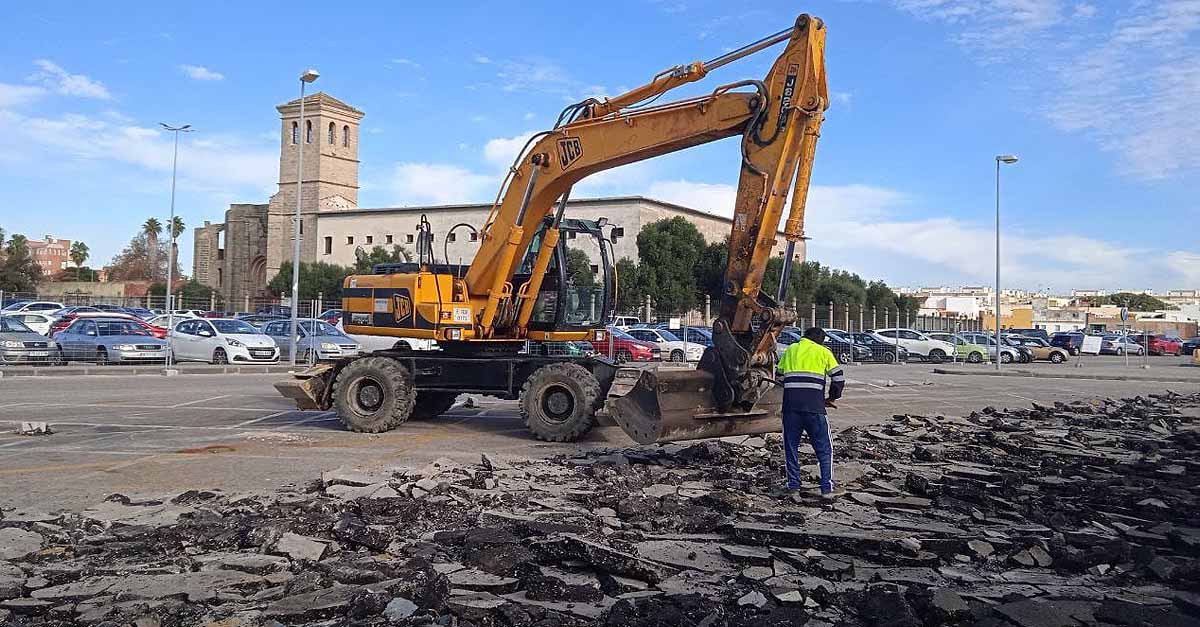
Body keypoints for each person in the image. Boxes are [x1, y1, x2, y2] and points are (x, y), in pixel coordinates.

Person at [776, 327, 845, 499]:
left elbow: (779, 377)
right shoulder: (823, 352)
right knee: (825, 449)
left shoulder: (791, 350)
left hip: (790, 408)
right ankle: (827, 488)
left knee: (791, 448)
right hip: (814, 408)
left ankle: (793, 486)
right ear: (820, 340)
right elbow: (838, 378)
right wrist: (832, 397)